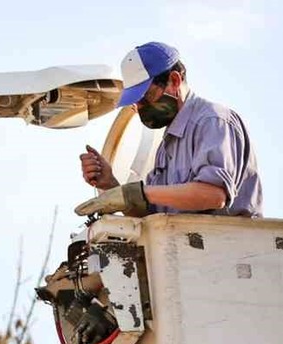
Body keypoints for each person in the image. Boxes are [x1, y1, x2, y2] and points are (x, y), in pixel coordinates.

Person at [76, 41, 263, 218]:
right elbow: (153, 219)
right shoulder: (167, 145)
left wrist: (137, 192)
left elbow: (214, 194)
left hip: (230, 248)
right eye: (135, 101)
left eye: (145, 97)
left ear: (174, 81)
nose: (139, 107)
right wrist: (112, 185)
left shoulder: (212, 121)